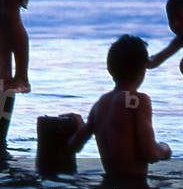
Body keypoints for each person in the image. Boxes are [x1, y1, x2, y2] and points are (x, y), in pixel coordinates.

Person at [67, 35, 171, 176]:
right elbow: (150, 153)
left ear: (109, 69)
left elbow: (74, 145)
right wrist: (164, 149)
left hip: (108, 187)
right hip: (134, 188)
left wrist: (79, 125)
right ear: (143, 69)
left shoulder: (100, 104)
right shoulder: (136, 100)